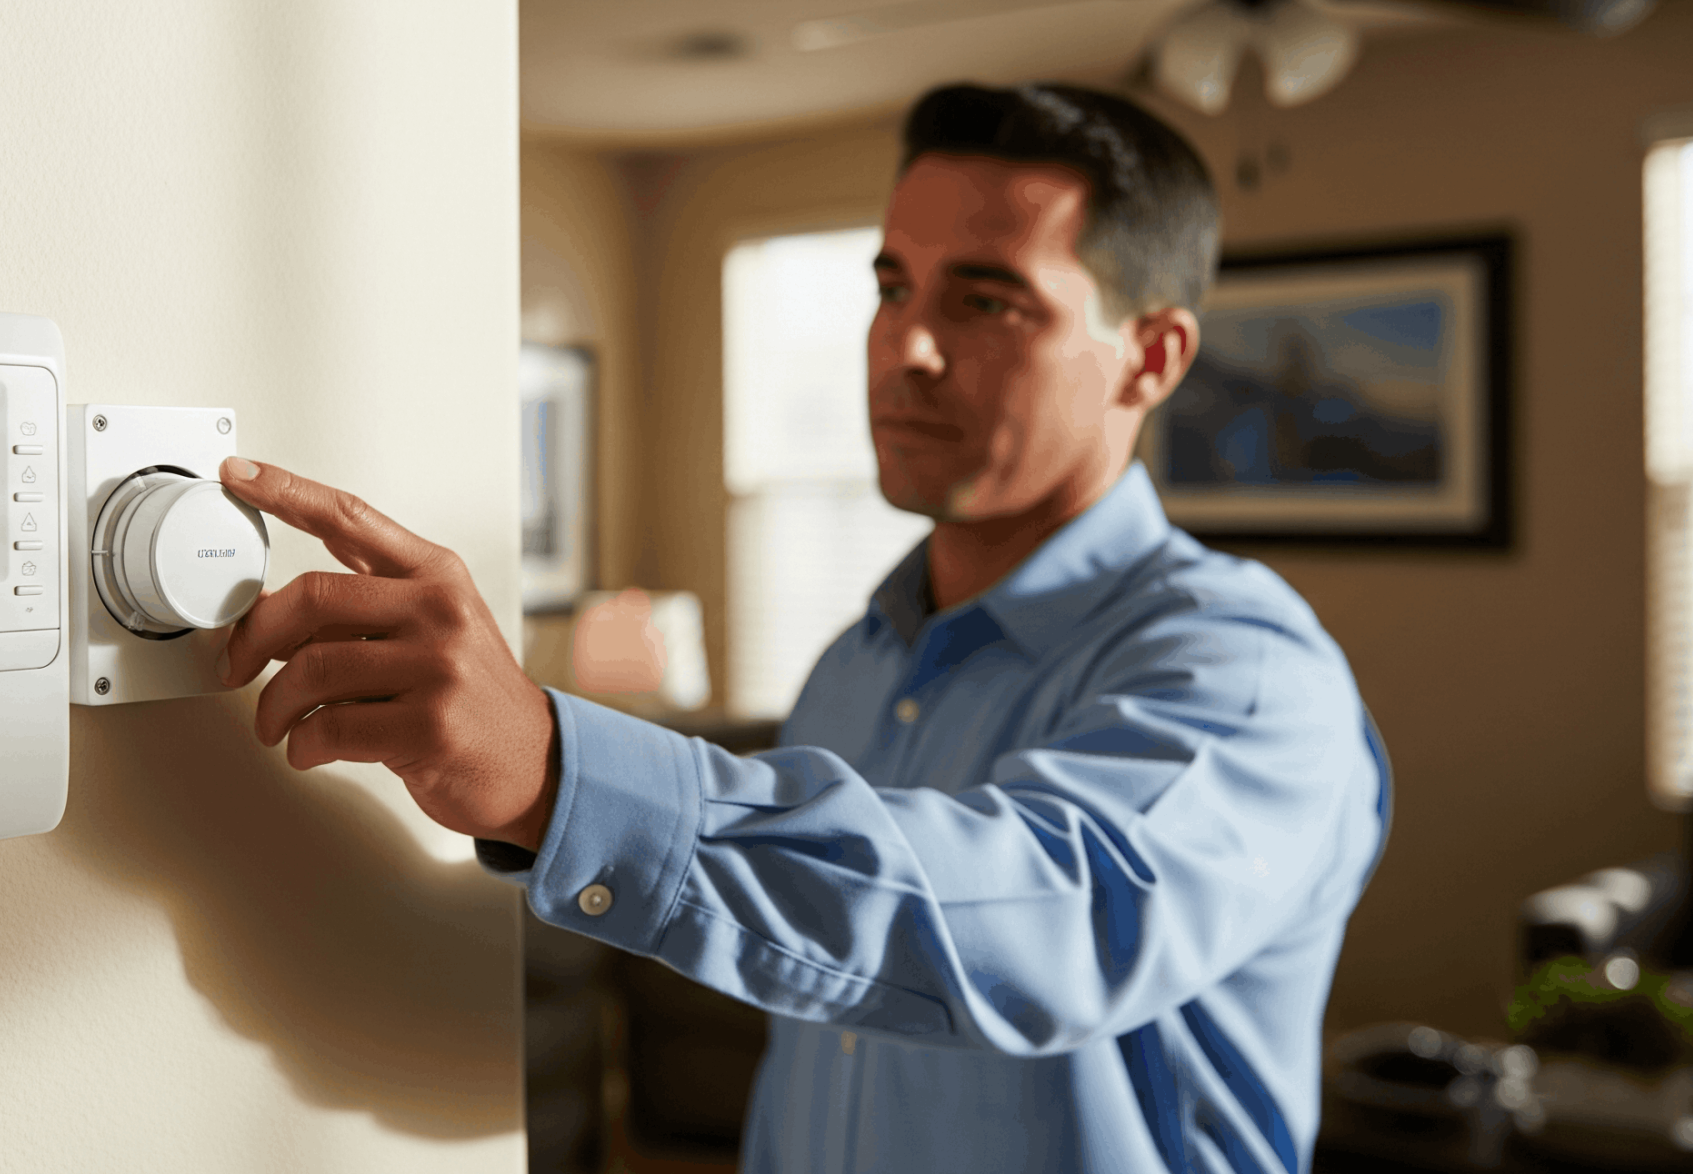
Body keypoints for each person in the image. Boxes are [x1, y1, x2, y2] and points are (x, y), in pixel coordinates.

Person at [212, 81, 1391, 1174]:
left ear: (1152, 355)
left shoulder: (1244, 673)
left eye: (986, 301)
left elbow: (1051, 920)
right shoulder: (860, 661)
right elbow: (828, 1018)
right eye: (892, 288)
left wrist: (556, 769)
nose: (905, 348)